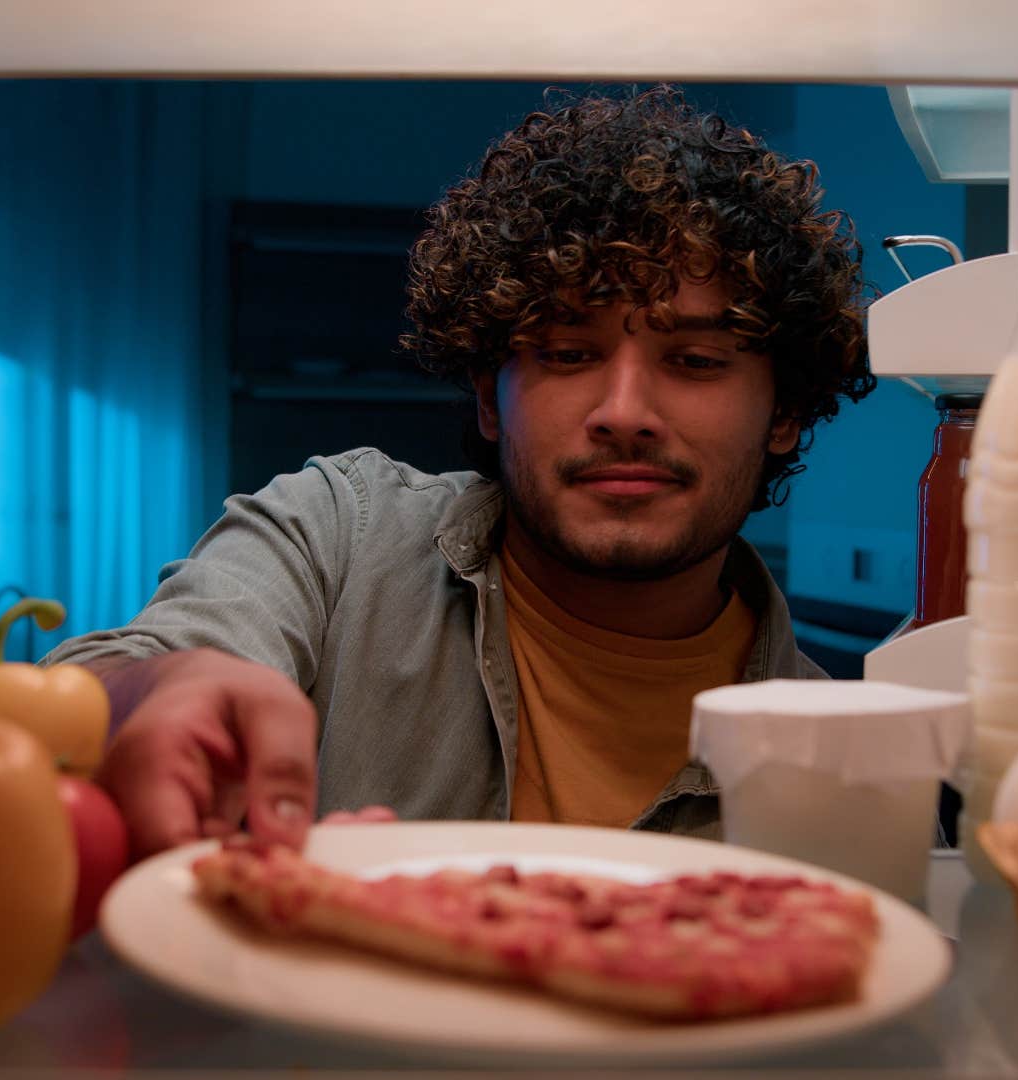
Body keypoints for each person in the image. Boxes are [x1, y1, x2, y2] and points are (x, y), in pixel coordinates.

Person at [44, 85, 874, 858]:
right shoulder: (338, 536)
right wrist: (153, 694)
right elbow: (85, 696)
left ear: (786, 412)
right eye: (568, 352)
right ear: (489, 397)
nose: (625, 410)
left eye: (694, 360)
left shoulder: (849, 759)